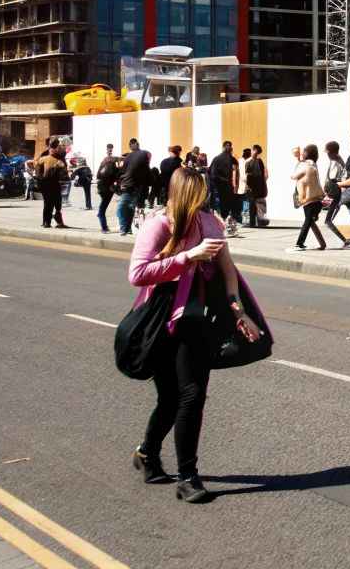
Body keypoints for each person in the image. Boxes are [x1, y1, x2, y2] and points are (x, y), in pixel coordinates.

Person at [127, 165, 262, 504]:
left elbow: (228, 270)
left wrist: (240, 311)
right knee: (171, 399)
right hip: (162, 318)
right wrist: (188, 256)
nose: (202, 200)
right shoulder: (158, 224)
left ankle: (187, 475)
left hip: (197, 319)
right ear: (183, 194)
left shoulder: (211, 222)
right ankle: (146, 453)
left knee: (192, 395)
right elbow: (138, 273)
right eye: (197, 194)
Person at [288, 145, 328, 251]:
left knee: (308, 221)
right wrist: (298, 159)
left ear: (307, 154)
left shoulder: (306, 165)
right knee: (310, 220)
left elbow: (294, 176)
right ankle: (322, 244)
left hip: (307, 198)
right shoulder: (313, 164)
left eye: (304, 152)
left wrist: (298, 165)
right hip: (314, 197)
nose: (302, 154)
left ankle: (299, 243)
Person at [321, 140, 350, 247]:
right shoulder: (335, 159)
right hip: (332, 194)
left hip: (333, 194)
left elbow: (332, 179)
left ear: (333, 152)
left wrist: (326, 192)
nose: (327, 155)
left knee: (327, 221)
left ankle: (345, 241)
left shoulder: (336, 163)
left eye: (328, 152)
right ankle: (345, 241)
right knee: (327, 220)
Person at [118, 138, 152, 237]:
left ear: (134, 145)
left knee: (122, 208)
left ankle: (125, 229)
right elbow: (146, 171)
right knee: (130, 208)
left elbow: (123, 171)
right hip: (137, 186)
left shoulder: (130, 156)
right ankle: (127, 229)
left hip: (130, 185)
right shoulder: (141, 155)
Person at [34, 142, 70, 229]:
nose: (53, 149)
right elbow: (37, 167)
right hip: (46, 182)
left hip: (54, 182)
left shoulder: (59, 155)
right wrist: (40, 179)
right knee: (49, 203)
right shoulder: (45, 155)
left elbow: (64, 167)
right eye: (52, 147)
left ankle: (55, 222)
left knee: (56, 203)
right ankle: (47, 222)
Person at [208, 141, 239, 234]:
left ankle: (223, 225)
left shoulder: (229, 157)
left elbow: (236, 162)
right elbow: (212, 174)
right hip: (220, 186)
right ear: (223, 147)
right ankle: (220, 225)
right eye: (227, 146)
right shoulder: (218, 159)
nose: (229, 147)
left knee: (225, 206)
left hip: (225, 186)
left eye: (230, 146)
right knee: (220, 206)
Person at [242, 145, 269, 231]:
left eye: (257, 153)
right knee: (252, 204)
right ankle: (252, 222)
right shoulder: (248, 161)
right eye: (255, 152)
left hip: (258, 185)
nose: (255, 154)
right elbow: (245, 174)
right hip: (251, 186)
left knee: (257, 203)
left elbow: (261, 174)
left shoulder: (259, 160)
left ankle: (257, 221)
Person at [96, 144, 120, 233]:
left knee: (103, 205)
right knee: (102, 210)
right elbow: (117, 175)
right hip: (108, 189)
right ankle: (104, 227)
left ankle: (104, 225)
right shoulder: (115, 161)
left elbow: (98, 175)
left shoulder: (103, 161)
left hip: (101, 188)